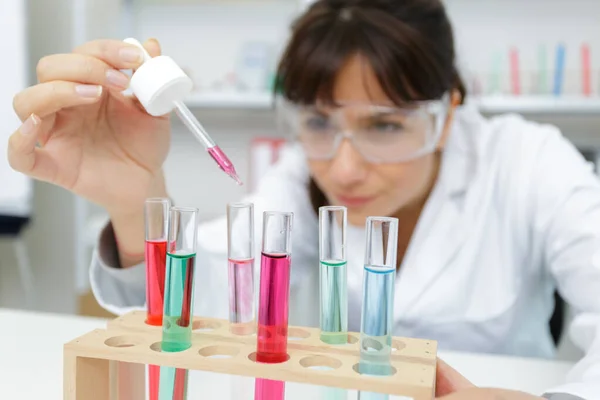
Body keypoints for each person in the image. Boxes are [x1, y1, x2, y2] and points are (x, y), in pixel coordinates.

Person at [6, 0, 600, 398]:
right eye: (318, 121)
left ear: (447, 113)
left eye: (386, 126)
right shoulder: (298, 177)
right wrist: (135, 198)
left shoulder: (529, 162)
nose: (342, 166)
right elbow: (216, 307)